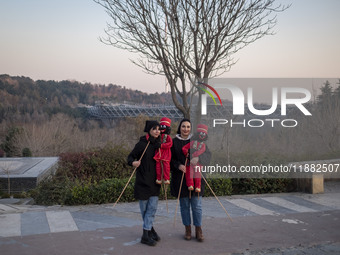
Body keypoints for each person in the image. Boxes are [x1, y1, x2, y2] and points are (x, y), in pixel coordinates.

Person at [170, 119, 211, 242]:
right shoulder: (174, 142)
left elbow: (208, 156)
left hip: (196, 178)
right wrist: (178, 166)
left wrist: (198, 157)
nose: (186, 129)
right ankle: (187, 229)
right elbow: (170, 159)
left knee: (197, 205)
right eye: (183, 126)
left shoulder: (198, 140)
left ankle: (198, 230)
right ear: (180, 127)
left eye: (188, 127)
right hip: (181, 179)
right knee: (184, 206)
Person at [127, 120, 162, 246]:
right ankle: (149, 231)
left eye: (158, 129)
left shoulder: (160, 145)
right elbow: (130, 157)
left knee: (152, 209)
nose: (157, 131)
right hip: (142, 182)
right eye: (154, 129)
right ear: (149, 130)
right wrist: (133, 163)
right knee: (145, 210)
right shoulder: (142, 144)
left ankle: (146, 234)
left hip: (155, 182)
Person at [182, 124, 209, 193]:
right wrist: (187, 153)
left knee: (197, 174)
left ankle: (197, 186)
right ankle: (190, 185)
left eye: (203, 133)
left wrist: (195, 155)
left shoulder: (204, 145)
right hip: (190, 164)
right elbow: (184, 148)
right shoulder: (192, 142)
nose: (202, 135)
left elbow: (202, 151)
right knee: (189, 173)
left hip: (198, 165)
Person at [154, 117, 173, 185]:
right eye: (161, 126)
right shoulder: (157, 136)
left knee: (166, 166)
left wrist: (161, 146)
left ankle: (166, 178)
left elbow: (170, 144)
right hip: (158, 153)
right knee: (158, 166)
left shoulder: (167, 137)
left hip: (165, 154)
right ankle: (159, 178)